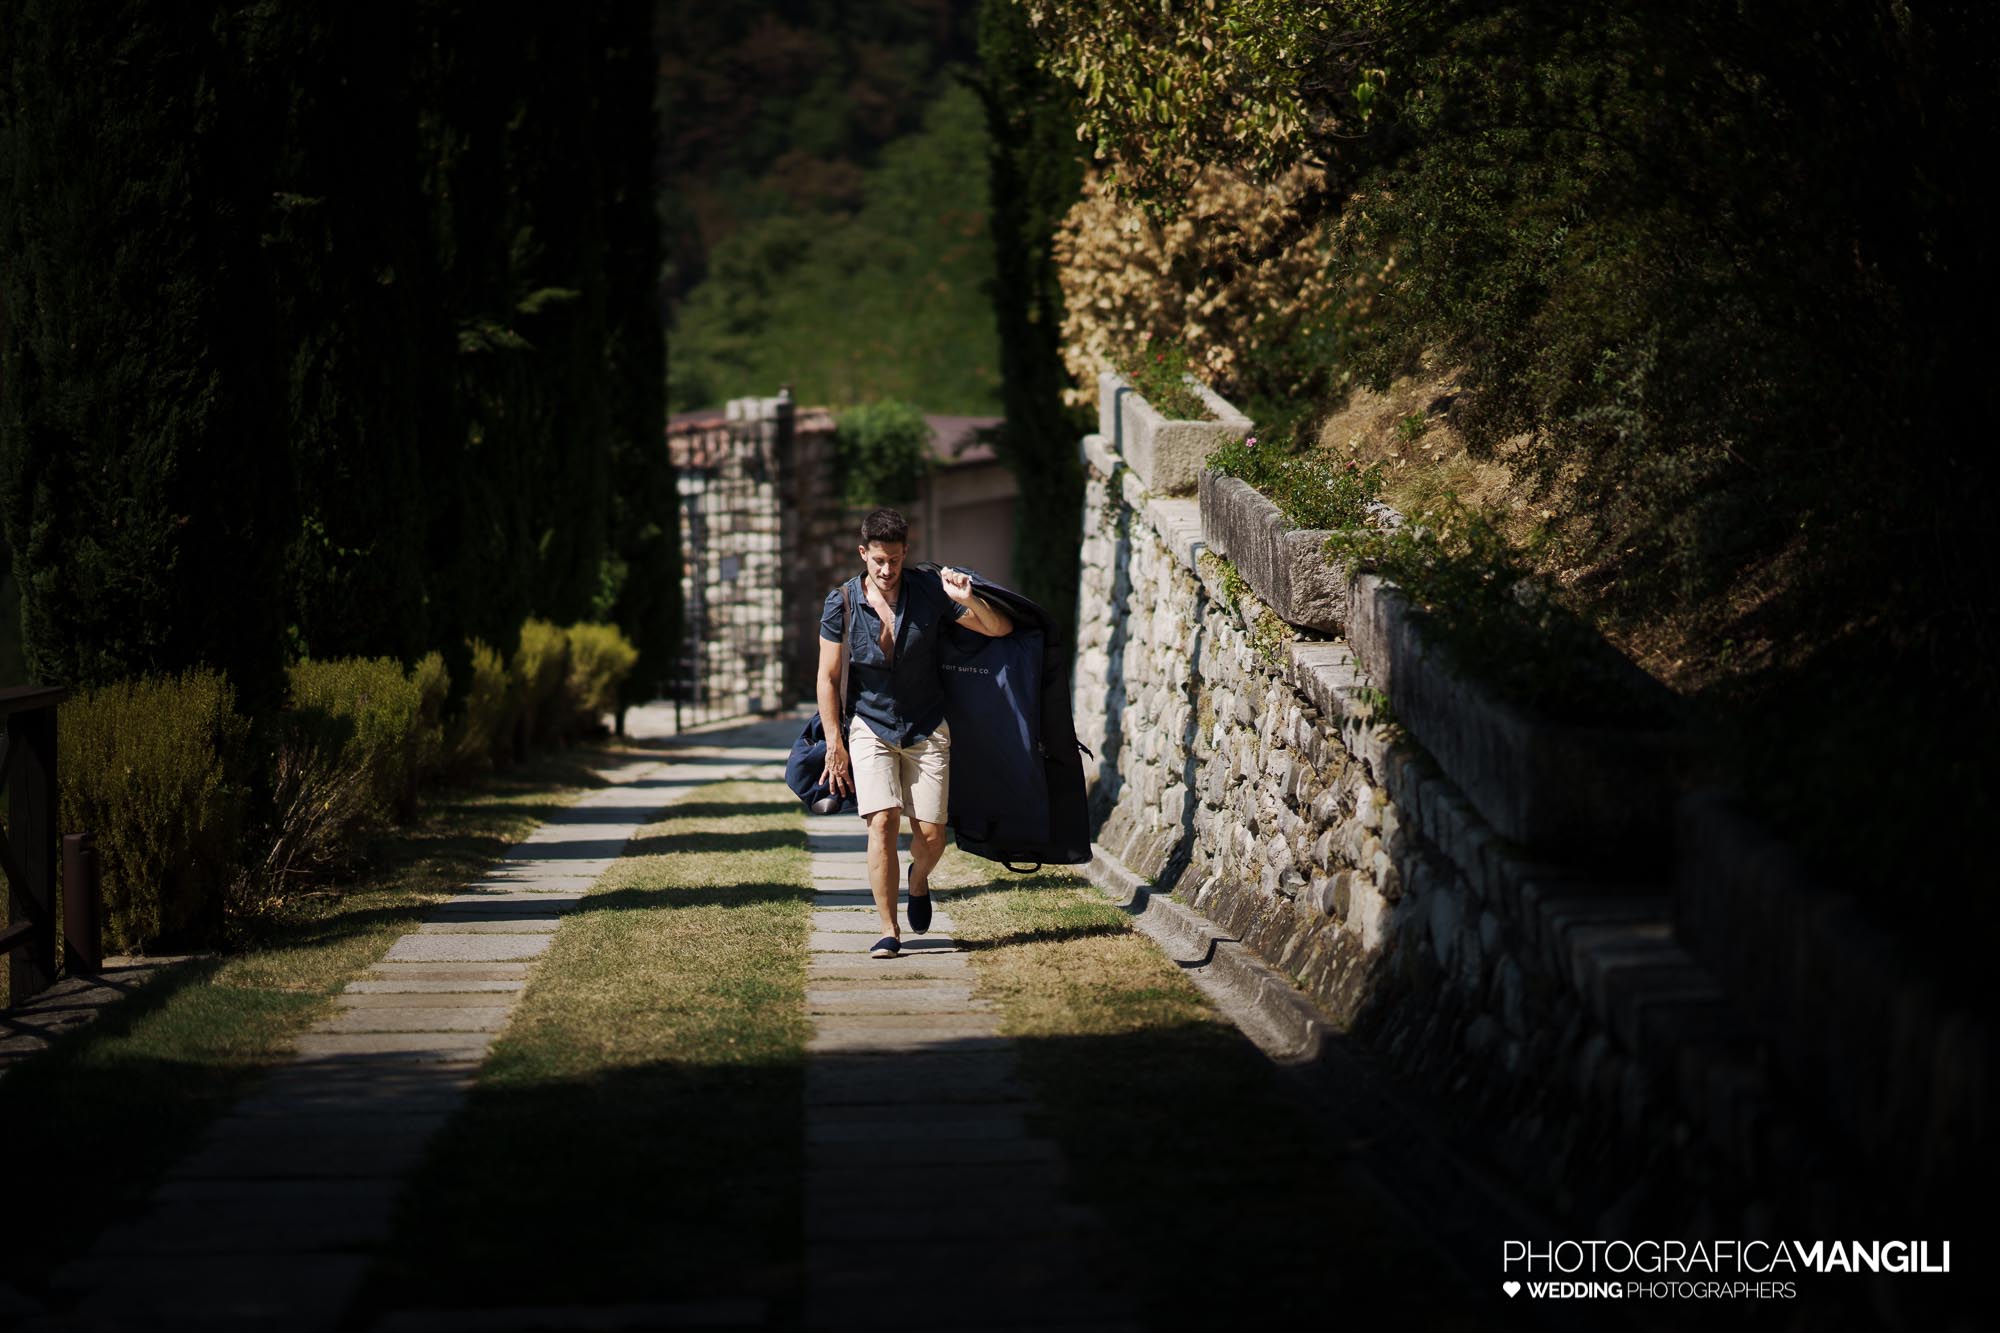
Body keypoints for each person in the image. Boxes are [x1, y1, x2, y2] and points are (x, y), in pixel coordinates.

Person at [817, 508, 1012, 958]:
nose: (887, 571)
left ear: (906, 552)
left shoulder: (929, 592)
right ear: (864, 553)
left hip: (926, 725)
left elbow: (999, 629)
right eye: (878, 560)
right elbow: (827, 677)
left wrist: (969, 599)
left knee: (932, 835)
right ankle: (889, 930)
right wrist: (835, 742)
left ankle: (918, 880)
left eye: (895, 560)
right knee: (881, 821)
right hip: (870, 725)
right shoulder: (842, 603)